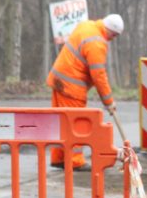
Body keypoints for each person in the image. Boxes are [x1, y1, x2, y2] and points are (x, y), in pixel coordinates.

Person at [46, 13, 124, 171]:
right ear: (111, 31)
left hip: (59, 80)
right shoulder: (97, 43)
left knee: (62, 122)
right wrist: (109, 102)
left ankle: (59, 158)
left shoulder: (86, 26)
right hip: (71, 87)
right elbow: (98, 75)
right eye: (114, 36)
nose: (113, 39)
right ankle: (75, 160)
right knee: (77, 124)